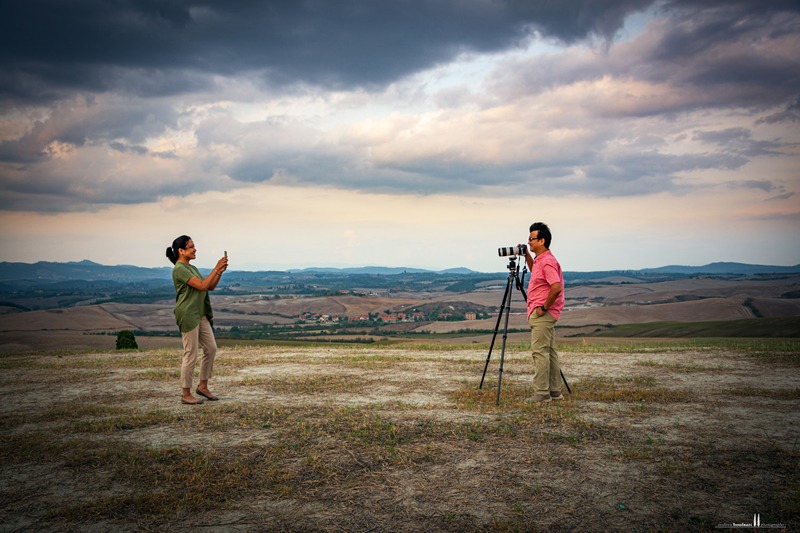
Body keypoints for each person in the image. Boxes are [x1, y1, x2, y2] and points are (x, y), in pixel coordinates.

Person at [165, 236, 228, 405]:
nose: (195, 249)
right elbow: (201, 286)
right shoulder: (179, 269)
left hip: (200, 313)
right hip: (188, 314)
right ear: (181, 251)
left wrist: (219, 272)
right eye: (191, 247)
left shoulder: (191, 268)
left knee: (211, 348)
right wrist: (215, 268)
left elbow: (210, 286)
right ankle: (186, 393)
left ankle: (202, 386)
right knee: (191, 353)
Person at [524, 222, 565, 404]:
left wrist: (544, 308)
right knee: (549, 352)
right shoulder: (542, 260)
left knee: (539, 352)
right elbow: (536, 273)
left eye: (532, 239)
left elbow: (555, 287)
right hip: (545, 313)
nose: (529, 242)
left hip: (543, 313)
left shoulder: (547, 261)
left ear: (542, 240)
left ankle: (541, 393)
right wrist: (526, 255)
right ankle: (555, 392)